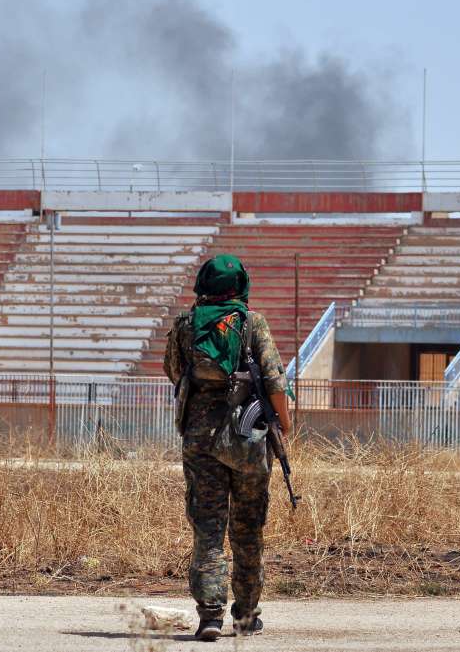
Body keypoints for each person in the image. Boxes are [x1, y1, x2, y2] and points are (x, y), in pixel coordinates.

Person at [164, 254, 293, 641]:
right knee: (248, 529)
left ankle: (209, 616)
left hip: (200, 440)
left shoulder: (187, 325)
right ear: (240, 286)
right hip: (248, 439)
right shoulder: (252, 323)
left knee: (208, 529)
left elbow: (173, 370)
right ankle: (246, 615)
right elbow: (274, 381)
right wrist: (284, 427)